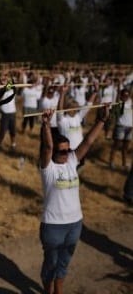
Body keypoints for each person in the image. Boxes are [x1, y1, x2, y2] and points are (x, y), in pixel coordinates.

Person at [39, 105, 109, 294]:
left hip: (74, 224)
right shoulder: (48, 169)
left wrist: (101, 120)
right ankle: (48, 289)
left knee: (64, 262)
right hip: (53, 226)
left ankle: (59, 290)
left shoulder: (71, 161)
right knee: (51, 263)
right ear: (54, 153)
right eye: (62, 151)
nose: (67, 153)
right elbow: (47, 146)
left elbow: (88, 141)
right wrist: (46, 125)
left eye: (68, 150)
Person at [109, 87, 133, 170]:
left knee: (125, 148)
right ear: (121, 96)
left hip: (130, 128)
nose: (126, 97)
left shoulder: (131, 103)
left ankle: (124, 164)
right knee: (116, 145)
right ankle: (111, 162)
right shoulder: (118, 104)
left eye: (127, 95)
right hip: (120, 127)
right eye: (124, 95)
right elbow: (115, 113)